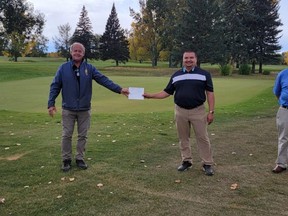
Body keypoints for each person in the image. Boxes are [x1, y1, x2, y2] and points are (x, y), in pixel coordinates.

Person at [48, 42, 129, 172]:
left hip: (84, 109)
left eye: (80, 51)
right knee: (66, 135)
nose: (77, 53)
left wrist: (119, 89)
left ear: (83, 54)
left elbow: (104, 80)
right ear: (71, 52)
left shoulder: (89, 68)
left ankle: (80, 158)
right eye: (75, 50)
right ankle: (66, 160)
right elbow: (55, 86)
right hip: (68, 108)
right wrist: (51, 103)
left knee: (83, 135)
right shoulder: (63, 68)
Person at [143, 51, 215, 176]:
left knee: (202, 137)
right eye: (186, 58)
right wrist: (150, 96)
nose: (188, 60)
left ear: (196, 59)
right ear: (183, 59)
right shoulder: (176, 75)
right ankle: (186, 161)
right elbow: (166, 92)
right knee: (183, 138)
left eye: (191, 58)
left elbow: (210, 93)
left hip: (198, 111)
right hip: (180, 111)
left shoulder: (204, 74)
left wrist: (211, 112)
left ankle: (207, 163)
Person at [272, 68, 288, 174]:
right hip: (285, 109)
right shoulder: (283, 74)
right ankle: (281, 164)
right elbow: (277, 92)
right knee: (283, 137)